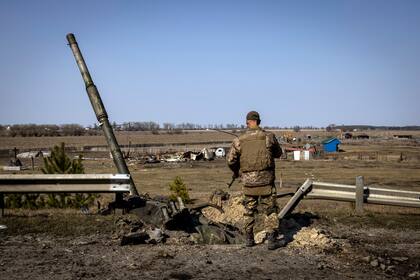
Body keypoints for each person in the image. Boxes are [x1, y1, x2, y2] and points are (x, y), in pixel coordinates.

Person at [227, 111, 284, 250]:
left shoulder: (239, 140)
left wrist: (237, 171)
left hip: (248, 183)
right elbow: (278, 153)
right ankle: (271, 240)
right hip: (266, 182)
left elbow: (230, 160)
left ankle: (249, 239)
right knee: (270, 210)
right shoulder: (269, 137)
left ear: (247, 122)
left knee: (249, 210)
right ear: (259, 121)